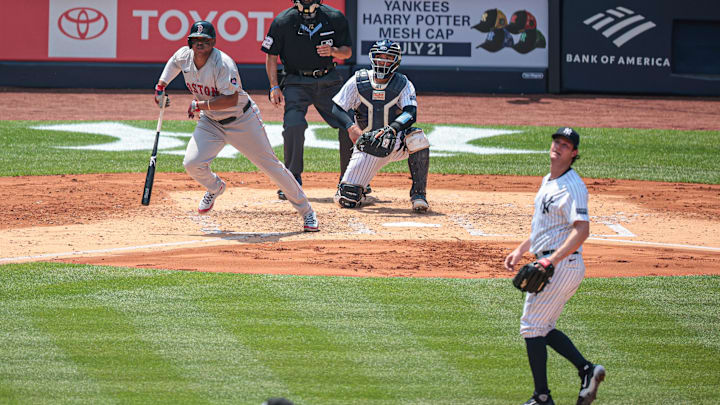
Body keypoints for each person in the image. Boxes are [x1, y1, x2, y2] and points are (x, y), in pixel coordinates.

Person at [154, 20, 319, 232]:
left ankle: (307, 211)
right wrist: (160, 87)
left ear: (213, 42)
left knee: (271, 165)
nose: (199, 44)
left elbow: (230, 100)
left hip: (242, 120)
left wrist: (199, 104)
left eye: (204, 40)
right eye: (195, 40)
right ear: (190, 42)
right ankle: (215, 187)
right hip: (211, 122)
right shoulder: (184, 56)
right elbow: (174, 63)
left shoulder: (223, 64)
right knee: (191, 163)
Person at [504, 127, 605, 405]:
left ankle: (542, 397)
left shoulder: (573, 186)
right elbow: (543, 227)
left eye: (565, 145)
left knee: (531, 326)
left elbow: (582, 231)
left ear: (573, 153)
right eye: (556, 142)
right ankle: (587, 371)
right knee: (541, 326)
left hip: (561, 265)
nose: (558, 147)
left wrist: (550, 260)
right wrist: (521, 249)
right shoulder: (548, 180)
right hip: (553, 262)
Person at [261, 0, 353, 200]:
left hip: (328, 81)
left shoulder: (334, 17)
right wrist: (274, 86)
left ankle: (350, 180)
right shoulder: (283, 21)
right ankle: (292, 180)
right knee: (293, 125)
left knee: (350, 124)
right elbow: (271, 56)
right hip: (296, 82)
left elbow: (347, 51)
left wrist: (333, 52)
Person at [330, 39, 430, 212]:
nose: (383, 61)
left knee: (417, 138)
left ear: (396, 61)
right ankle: (361, 191)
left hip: (395, 142)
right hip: (367, 145)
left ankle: (418, 195)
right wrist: (350, 127)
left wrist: (392, 129)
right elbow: (337, 107)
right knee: (346, 200)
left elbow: (411, 113)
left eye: (388, 58)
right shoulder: (358, 80)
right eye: (379, 57)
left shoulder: (403, 83)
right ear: (372, 58)